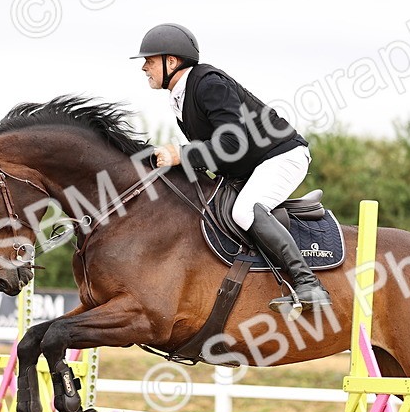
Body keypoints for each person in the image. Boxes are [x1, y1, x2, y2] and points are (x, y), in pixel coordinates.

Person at [132, 23, 331, 311]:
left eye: (149, 60)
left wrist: (182, 154)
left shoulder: (209, 84)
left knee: (245, 210)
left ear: (171, 61)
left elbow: (230, 143)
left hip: (281, 156)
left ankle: (308, 284)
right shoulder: (182, 96)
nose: (144, 67)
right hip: (251, 165)